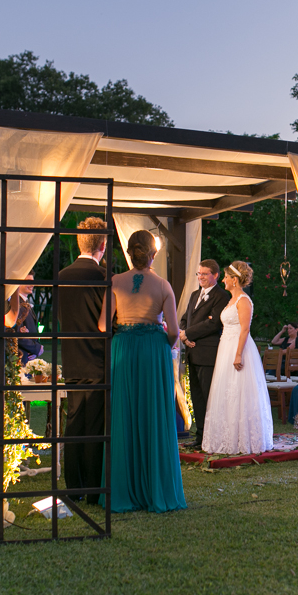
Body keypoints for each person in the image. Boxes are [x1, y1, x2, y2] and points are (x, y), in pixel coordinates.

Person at [98, 230, 185, 513]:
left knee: (124, 414)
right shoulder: (163, 285)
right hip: (152, 351)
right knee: (154, 416)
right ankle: (154, 489)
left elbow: (102, 326)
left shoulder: (115, 281)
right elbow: (173, 331)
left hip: (123, 349)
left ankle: (124, 490)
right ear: (153, 253)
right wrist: (157, 340)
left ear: (129, 252)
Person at [58, 217, 108, 503]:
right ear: (102, 244)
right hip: (98, 359)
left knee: (74, 421)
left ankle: (73, 486)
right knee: (95, 425)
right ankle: (92, 489)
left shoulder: (62, 276)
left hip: (72, 358)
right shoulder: (104, 278)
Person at [203, 262, 274, 454]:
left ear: (234, 280)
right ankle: (227, 437)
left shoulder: (244, 300)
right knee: (226, 390)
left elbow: (244, 328)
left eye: (226, 277)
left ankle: (244, 438)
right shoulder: (230, 300)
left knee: (239, 390)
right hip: (225, 345)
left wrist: (238, 354)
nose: (223, 280)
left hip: (238, 347)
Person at [179, 259, 230, 448]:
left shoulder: (221, 296)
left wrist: (189, 333)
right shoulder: (194, 295)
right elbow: (185, 319)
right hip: (192, 352)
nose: (200, 277)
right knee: (197, 397)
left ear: (215, 275)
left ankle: (213, 438)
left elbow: (214, 323)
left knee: (209, 397)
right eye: (198, 273)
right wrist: (184, 336)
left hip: (208, 354)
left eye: (204, 273)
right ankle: (200, 438)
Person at [7, 271, 43, 364]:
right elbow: (16, 333)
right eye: (28, 281)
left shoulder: (25, 303)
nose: (32, 284)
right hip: (20, 358)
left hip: (28, 356)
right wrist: (37, 348)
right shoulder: (16, 305)